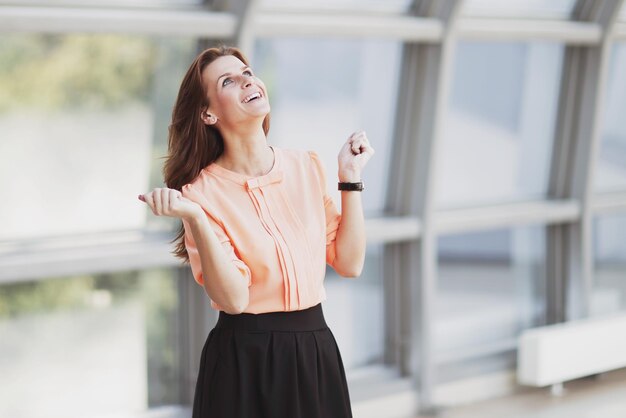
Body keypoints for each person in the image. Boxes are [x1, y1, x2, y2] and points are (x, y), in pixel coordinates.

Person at [138, 45, 374, 418]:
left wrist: (350, 179)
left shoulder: (305, 166)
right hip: (242, 364)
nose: (248, 81)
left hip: (314, 353)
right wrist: (197, 220)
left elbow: (350, 262)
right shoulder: (200, 195)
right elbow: (233, 300)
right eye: (228, 81)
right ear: (208, 112)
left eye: (247, 72)